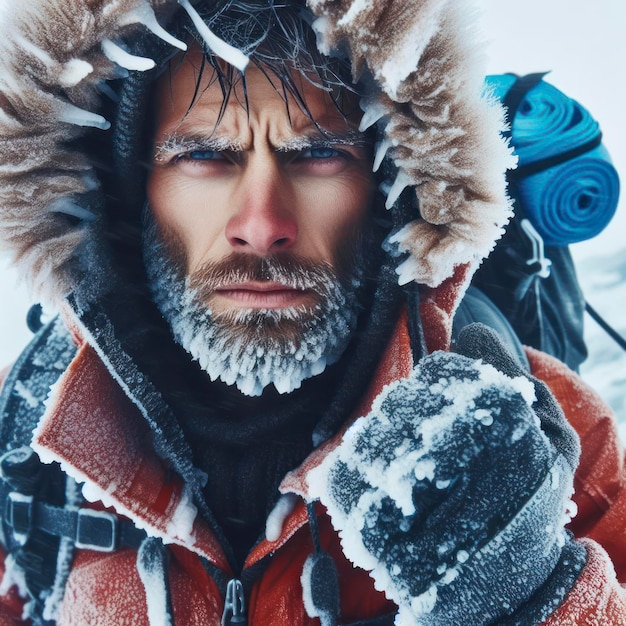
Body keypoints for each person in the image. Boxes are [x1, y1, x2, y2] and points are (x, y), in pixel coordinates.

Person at [0, 0, 624, 624]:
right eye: (203, 155)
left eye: (318, 154)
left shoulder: (545, 430)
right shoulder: (41, 429)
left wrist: (533, 597)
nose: (262, 224)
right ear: (128, 196)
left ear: (389, 191)